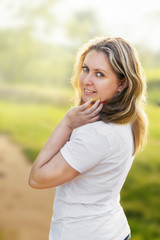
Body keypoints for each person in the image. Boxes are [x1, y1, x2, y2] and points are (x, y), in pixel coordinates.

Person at [28, 37, 148, 240]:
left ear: (122, 83)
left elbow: (37, 178)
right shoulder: (131, 118)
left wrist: (67, 122)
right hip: (114, 229)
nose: (86, 80)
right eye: (86, 69)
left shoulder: (98, 134)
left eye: (99, 74)